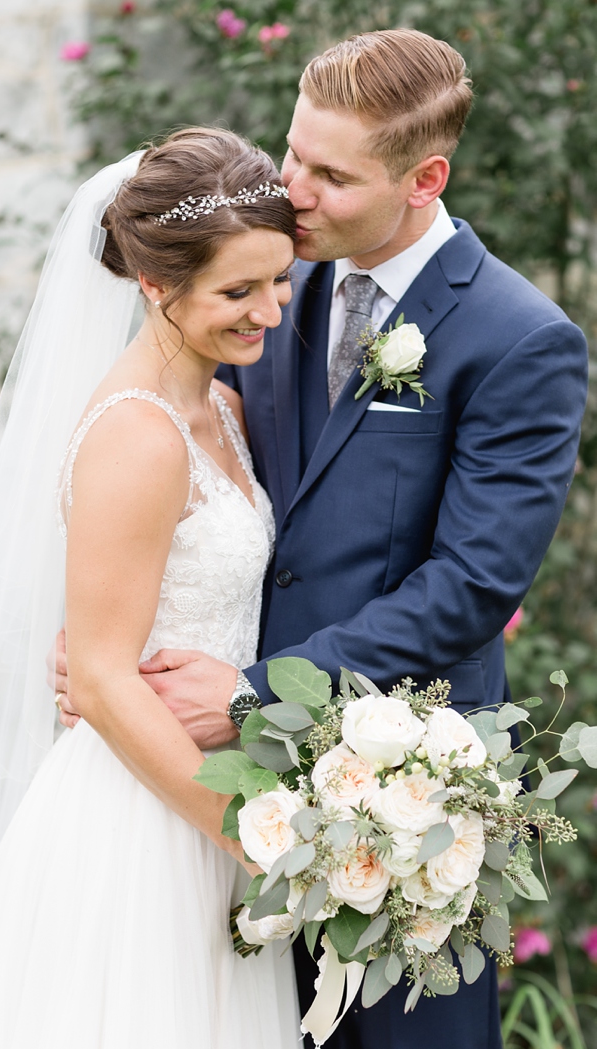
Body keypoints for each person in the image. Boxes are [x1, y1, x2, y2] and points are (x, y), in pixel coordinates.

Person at [53, 28, 588, 1049]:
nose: (291, 188)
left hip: (394, 805)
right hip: (213, 793)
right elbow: (173, 480)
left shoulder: (519, 339)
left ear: (423, 177)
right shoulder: (261, 288)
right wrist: (103, 641)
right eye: (293, 153)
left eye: (330, 174)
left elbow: (471, 585)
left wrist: (258, 688)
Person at [0, 128, 302, 1048]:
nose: (270, 311)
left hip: (214, 788)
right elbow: (107, 679)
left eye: (278, 280)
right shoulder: (137, 434)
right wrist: (247, 831)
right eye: (238, 291)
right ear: (156, 283)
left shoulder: (224, 406)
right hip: (143, 822)